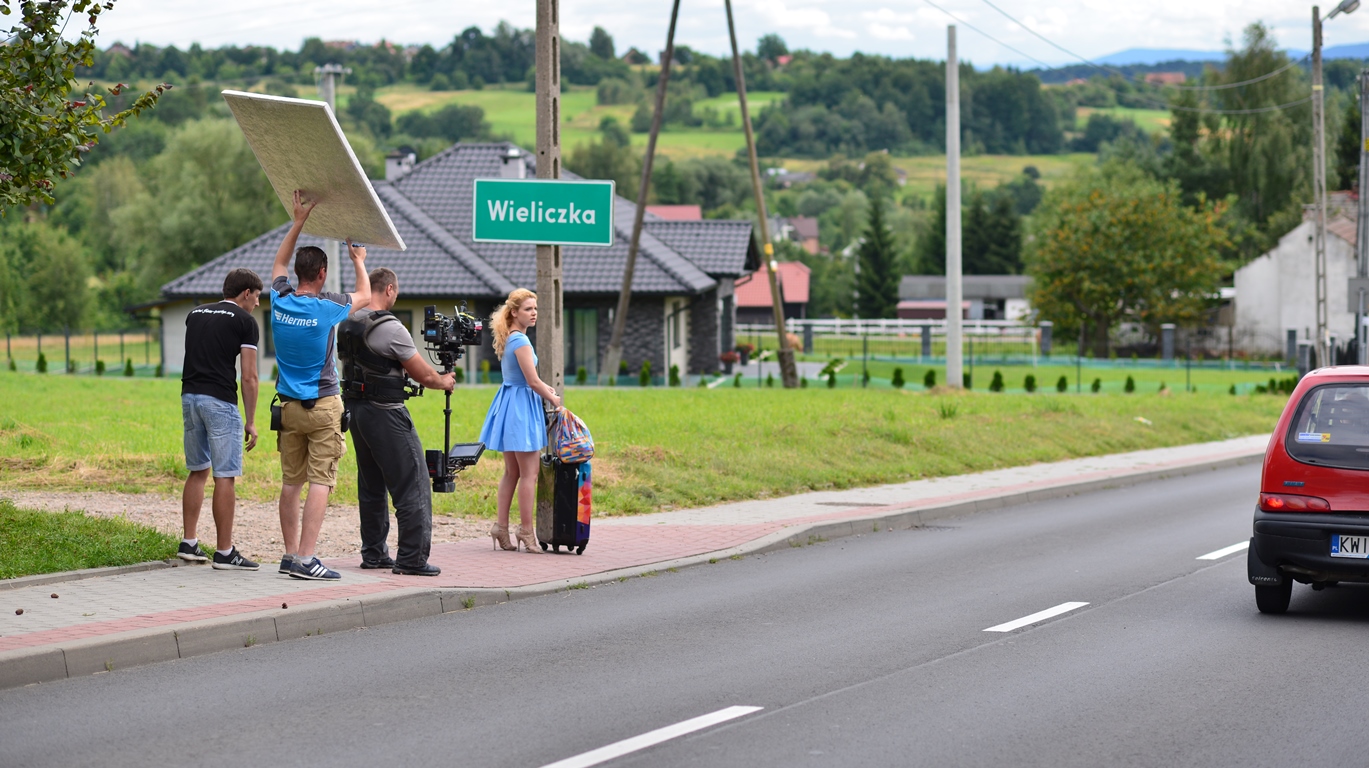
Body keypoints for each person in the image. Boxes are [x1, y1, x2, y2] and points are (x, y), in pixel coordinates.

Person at [270, 190, 371, 580]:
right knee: (320, 482)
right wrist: (359, 261)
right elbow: (364, 295)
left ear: (298, 273)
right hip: (324, 404)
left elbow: (278, 261)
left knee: (290, 482)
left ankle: (289, 554)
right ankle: (308, 559)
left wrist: (298, 221)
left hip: (289, 408)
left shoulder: (280, 300)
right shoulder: (327, 306)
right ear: (323, 274)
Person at [339, 267, 455, 576]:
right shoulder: (391, 328)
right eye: (396, 291)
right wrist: (444, 381)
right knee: (413, 482)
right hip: (385, 410)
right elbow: (424, 375)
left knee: (372, 484)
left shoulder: (348, 321)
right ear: (389, 289)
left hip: (356, 411)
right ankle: (412, 559)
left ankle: (374, 554)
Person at [178, 268, 263, 571]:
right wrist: (250, 420)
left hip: (189, 398)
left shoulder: (195, 313)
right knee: (224, 475)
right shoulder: (245, 322)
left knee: (197, 470)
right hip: (220, 402)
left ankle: (188, 542)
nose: (256, 303)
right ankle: (225, 552)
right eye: (256, 297)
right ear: (245, 293)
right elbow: (250, 377)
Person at [479, 288, 562, 553]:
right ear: (514, 312)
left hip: (509, 404)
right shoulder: (522, 342)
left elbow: (528, 379)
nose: (534, 313)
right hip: (521, 409)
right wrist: (555, 399)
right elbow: (532, 380)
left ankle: (500, 527)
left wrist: (548, 390)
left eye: (535, 308)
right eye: (528, 309)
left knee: (511, 472)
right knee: (530, 473)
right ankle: (526, 532)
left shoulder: (510, 338)